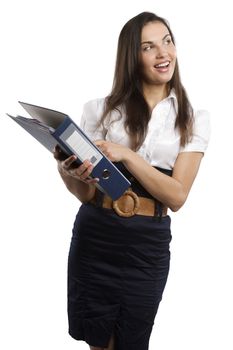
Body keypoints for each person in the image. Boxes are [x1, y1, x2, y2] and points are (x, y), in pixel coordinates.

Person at [54, 11, 210, 350]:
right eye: (149, 47)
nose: (163, 53)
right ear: (131, 56)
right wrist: (68, 171)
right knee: (98, 343)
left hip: (146, 246)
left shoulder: (193, 120)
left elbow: (177, 196)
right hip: (97, 235)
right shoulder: (100, 110)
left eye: (167, 42)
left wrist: (127, 156)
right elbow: (85, 194)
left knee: (133, 342)